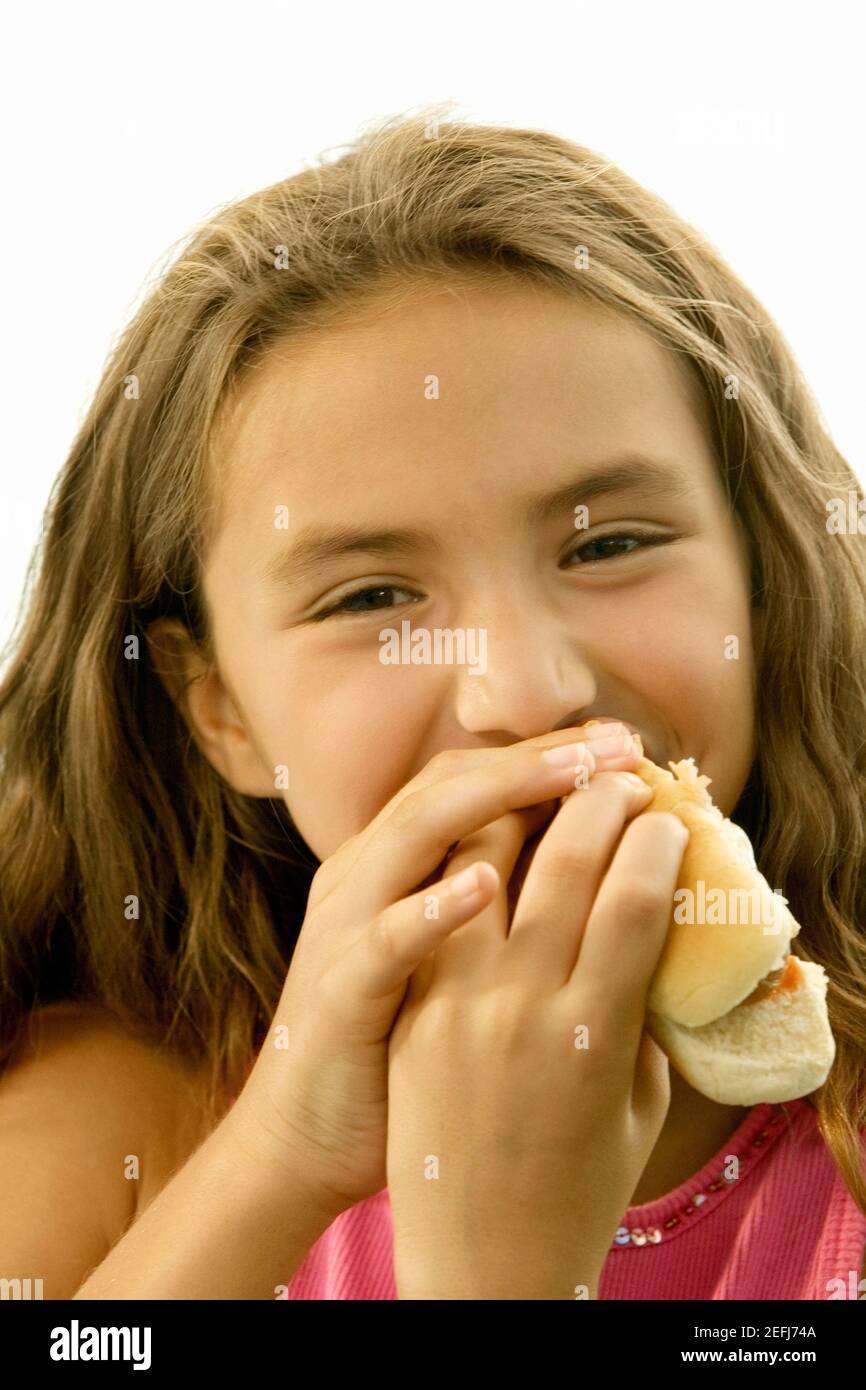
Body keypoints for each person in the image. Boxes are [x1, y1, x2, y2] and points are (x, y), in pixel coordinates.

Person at [0, 106, 864, 1300]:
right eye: (372, 596)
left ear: (762, 584)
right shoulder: (116, 1143)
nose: (526, 692)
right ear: (222, 713)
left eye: (607, 541)